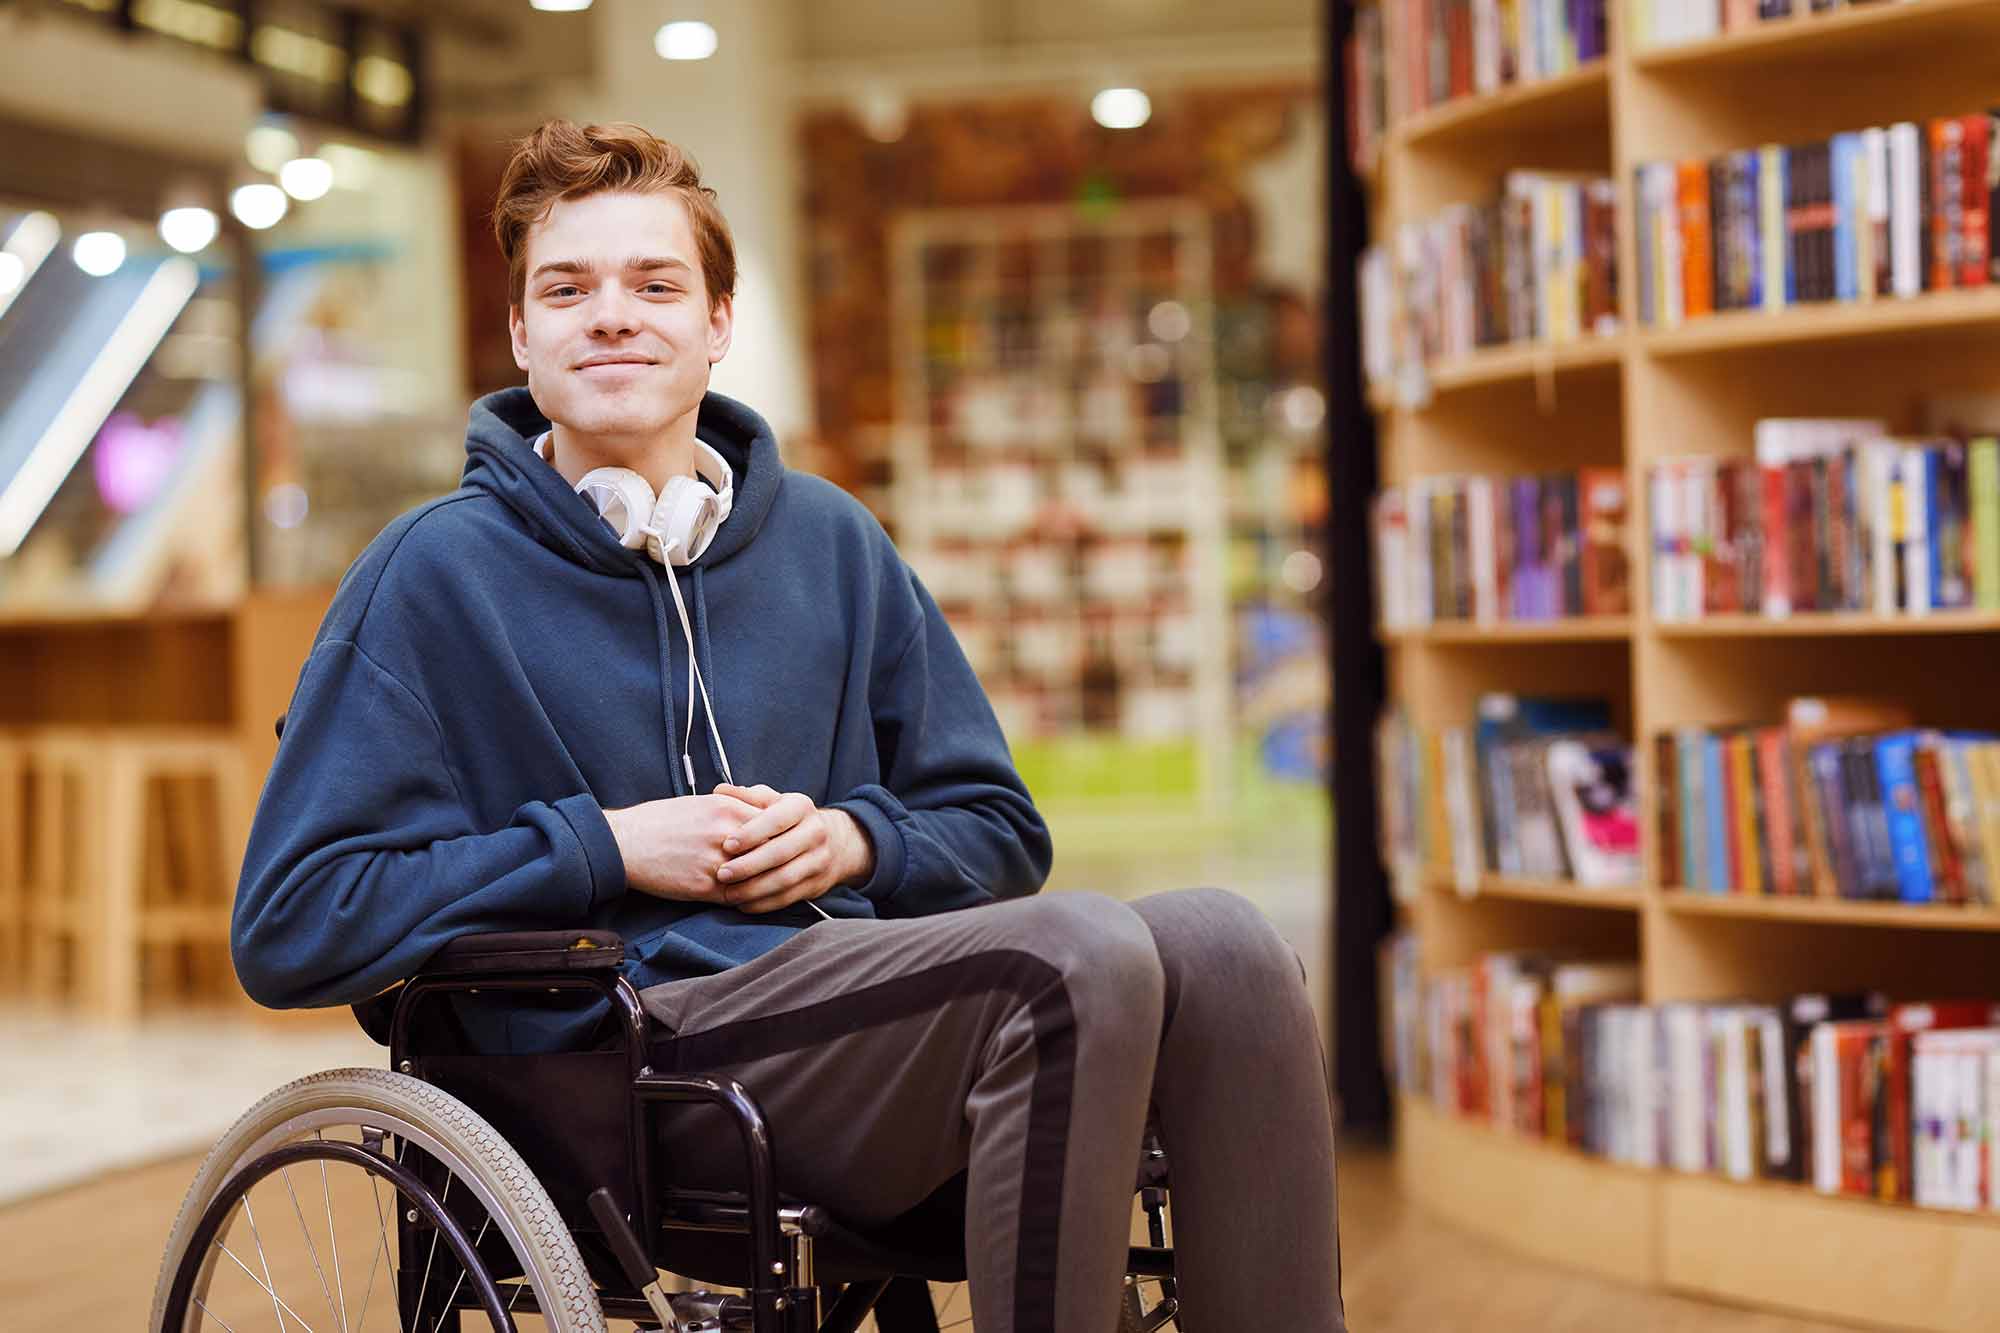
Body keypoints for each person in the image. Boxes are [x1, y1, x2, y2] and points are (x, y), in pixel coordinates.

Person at [231, 118, 1345, 1333]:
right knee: (1072, 953)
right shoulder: (430, 575)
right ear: (519, 334)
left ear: (717, 323)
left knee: (1227, 946)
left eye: (655, 285)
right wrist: (608, 845)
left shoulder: (831, 542)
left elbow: (997, 828)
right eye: (567, 289)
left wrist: (850, 844)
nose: (610, 317)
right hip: (630, 1068)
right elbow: (292, 922)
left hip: (857, 1021)